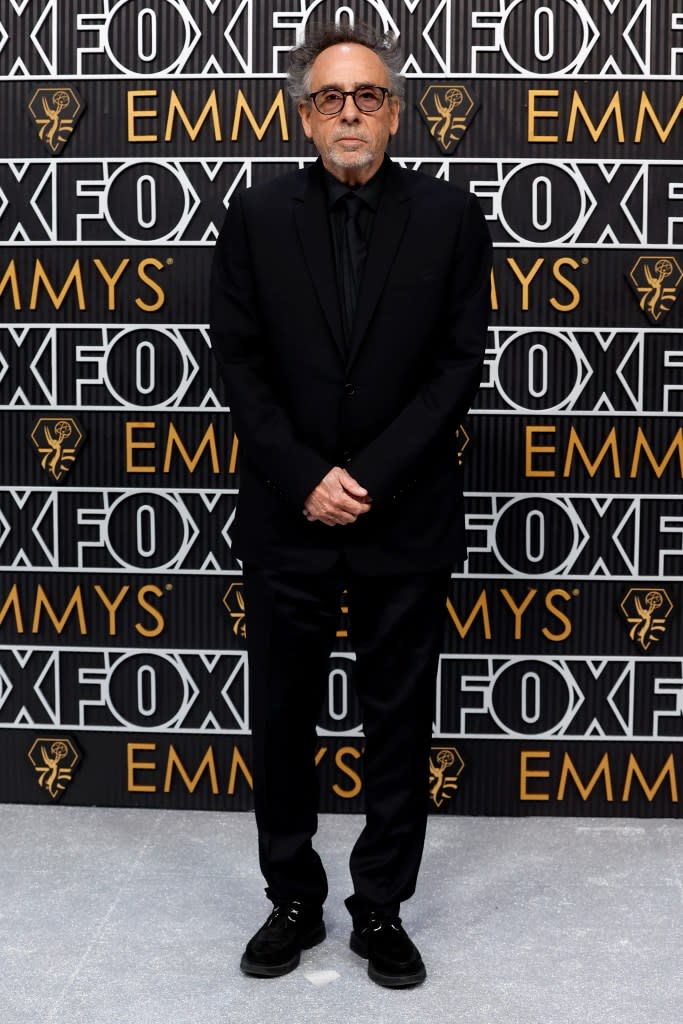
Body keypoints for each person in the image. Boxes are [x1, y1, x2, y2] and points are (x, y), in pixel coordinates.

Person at [209, 22, 491, 988]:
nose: (350, 114)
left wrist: (369, 473)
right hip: (289, 515)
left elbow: (459, 363)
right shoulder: (253, 216)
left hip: (403, 513)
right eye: (331, 98)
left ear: (397, 111)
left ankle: (380, 909)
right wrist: (303, 477)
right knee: (282, 717)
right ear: (303, 114)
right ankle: (292, 898)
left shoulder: (452, 217)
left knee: (398, 720)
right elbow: (238, 364)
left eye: (367, 96)